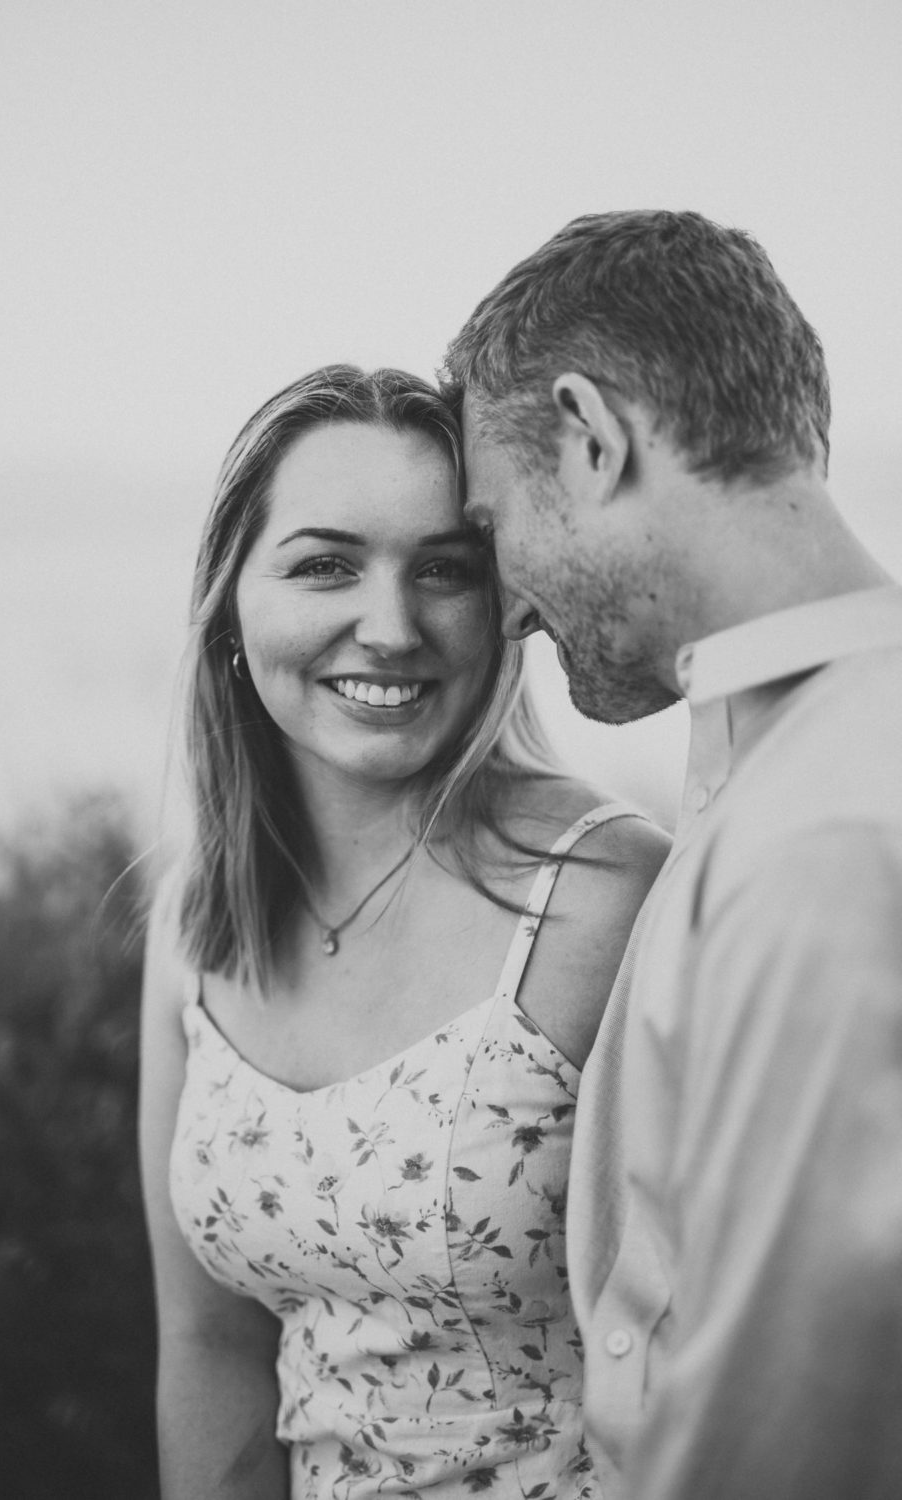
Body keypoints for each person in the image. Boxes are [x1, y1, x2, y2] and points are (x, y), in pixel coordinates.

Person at [139, 364, 668, 1499]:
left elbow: (720, 1353)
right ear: (232, 599)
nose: (390, 627)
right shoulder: (199, 917)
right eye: (326, 564)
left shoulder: (604, 897)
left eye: (445, 571)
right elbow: (209, 1347)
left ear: (508, 604)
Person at [442, 209, 902, 1500]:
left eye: (490, 534)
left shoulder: (834, 832)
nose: (510, 611)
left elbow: (793, 1435)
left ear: (591, 439)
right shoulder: (785, 763)